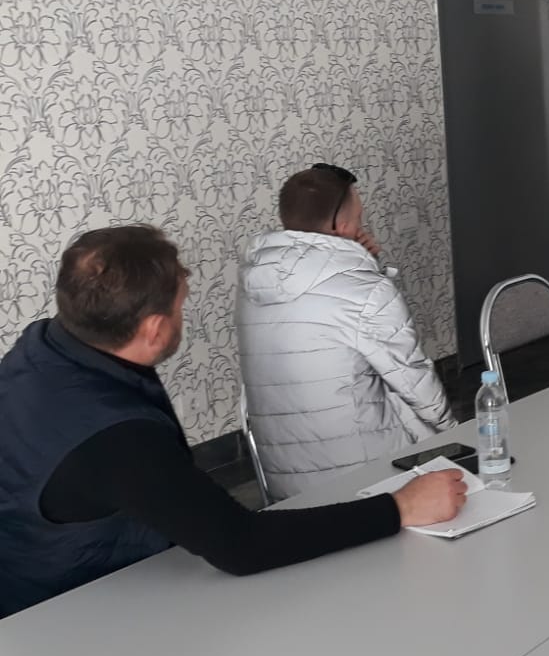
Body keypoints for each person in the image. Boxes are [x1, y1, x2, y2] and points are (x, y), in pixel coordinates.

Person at [0, 226, 467, 618]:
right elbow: (241, 545)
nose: (183, 315)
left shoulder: (39, 349)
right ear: (154, 329)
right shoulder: (117, 438)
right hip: (64, 614)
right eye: (180, 306)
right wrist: (400, 507)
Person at [236, 164, 451, 498]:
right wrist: (456, 436)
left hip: (285, 486)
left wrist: (365, 263)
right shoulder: (365, 292)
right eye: (359, 218)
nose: (361, 225)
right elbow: (415, 382)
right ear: (341, 226)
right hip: (364, 482)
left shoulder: (253, 286)